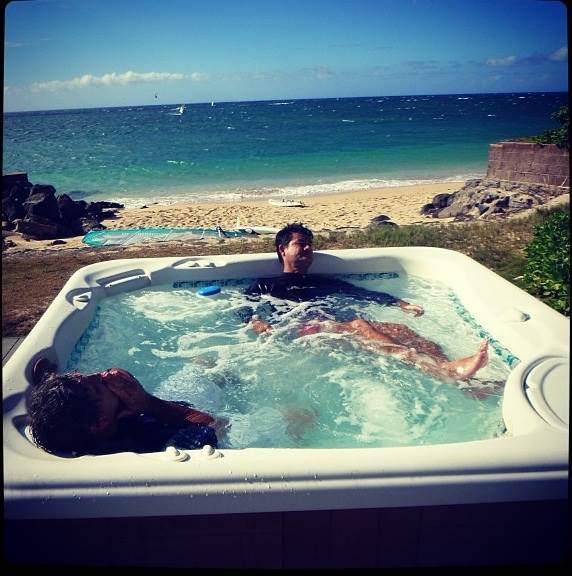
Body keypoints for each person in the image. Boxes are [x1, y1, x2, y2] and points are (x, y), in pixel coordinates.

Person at [236, 222, 424, 335]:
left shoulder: (326, 282)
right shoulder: (265, 284)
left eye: (310, 244)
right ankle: (433, 367)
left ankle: (439, 364)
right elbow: (242, 307)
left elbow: (361, 293)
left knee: (402, 330)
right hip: (301, 331)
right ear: (282, 249)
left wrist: (400, 303)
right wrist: (255, 322)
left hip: (331, 328)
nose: (308, 248)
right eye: (301, 244)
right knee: (360, 325)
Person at [27, 357, 230, 456]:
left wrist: (51, 381)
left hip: (161, 404)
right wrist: (148, 403)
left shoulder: (79, 427)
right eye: (96, 387)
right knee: (208, 366)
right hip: (190, 405)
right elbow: (218, 424)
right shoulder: (154, 442)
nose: (101, 375)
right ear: (99, 423)